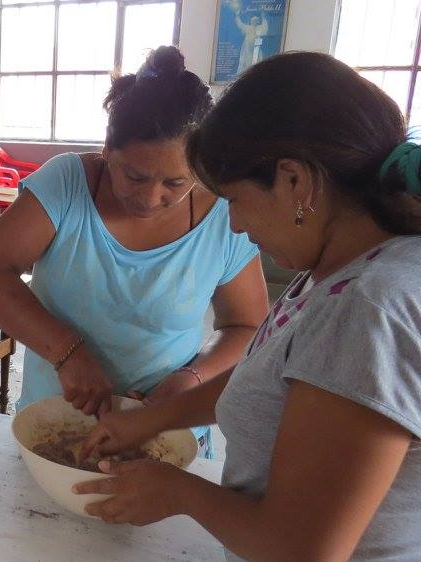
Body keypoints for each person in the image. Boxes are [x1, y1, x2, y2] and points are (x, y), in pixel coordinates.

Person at [76, 52, 421, 562]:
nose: (234, 225)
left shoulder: (368, 306)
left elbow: (302, 551)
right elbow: (277, 379)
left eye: (234, 199)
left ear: (294, 182)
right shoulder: (338, 269)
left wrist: (178, 491)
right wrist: (151, 420)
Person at [0, 46, 268, 457]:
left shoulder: (223, 217)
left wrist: (193, 378)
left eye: (176, 185)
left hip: (165, 430)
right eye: (134, 176)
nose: (150, 198)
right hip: (58, 419)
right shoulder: (67, 186)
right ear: (108, 146)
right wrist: (67, 352)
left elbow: (247, 325)